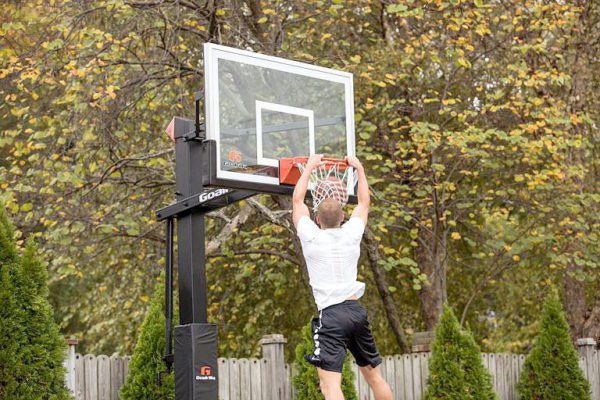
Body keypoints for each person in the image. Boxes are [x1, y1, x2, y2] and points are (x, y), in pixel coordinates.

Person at [292, 154, 393, 400]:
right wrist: (359, 168)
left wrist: (309, 168)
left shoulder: (311, 236)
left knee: (330, 386)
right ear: (342, 218)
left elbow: (297, 201)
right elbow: (364, 203)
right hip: (355, 311)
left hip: (332, 315)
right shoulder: (351, 233)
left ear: (317, 219)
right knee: (374, 378)